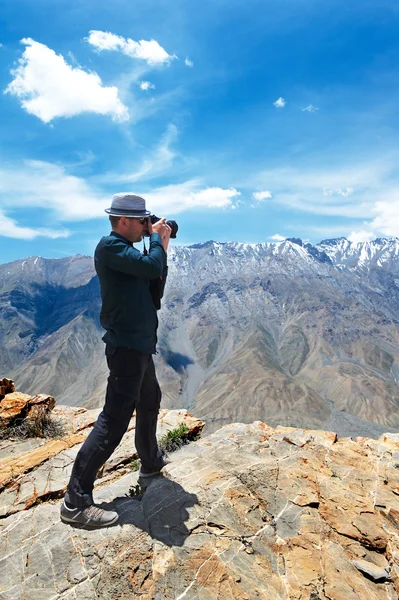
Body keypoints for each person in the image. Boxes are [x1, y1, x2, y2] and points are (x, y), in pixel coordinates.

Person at [60, 193, 171, 527]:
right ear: (124, 221)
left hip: (139, 345)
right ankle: (75, 502)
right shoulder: (110, 249)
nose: (146, 226)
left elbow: (156, 292)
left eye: (148, 221)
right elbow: (151, 266)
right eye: (142, 222)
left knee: (150, 400)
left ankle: (150, 463)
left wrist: (162, 245)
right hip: (125, 347)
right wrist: (156, 239)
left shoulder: (130, 255)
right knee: (114, 420)